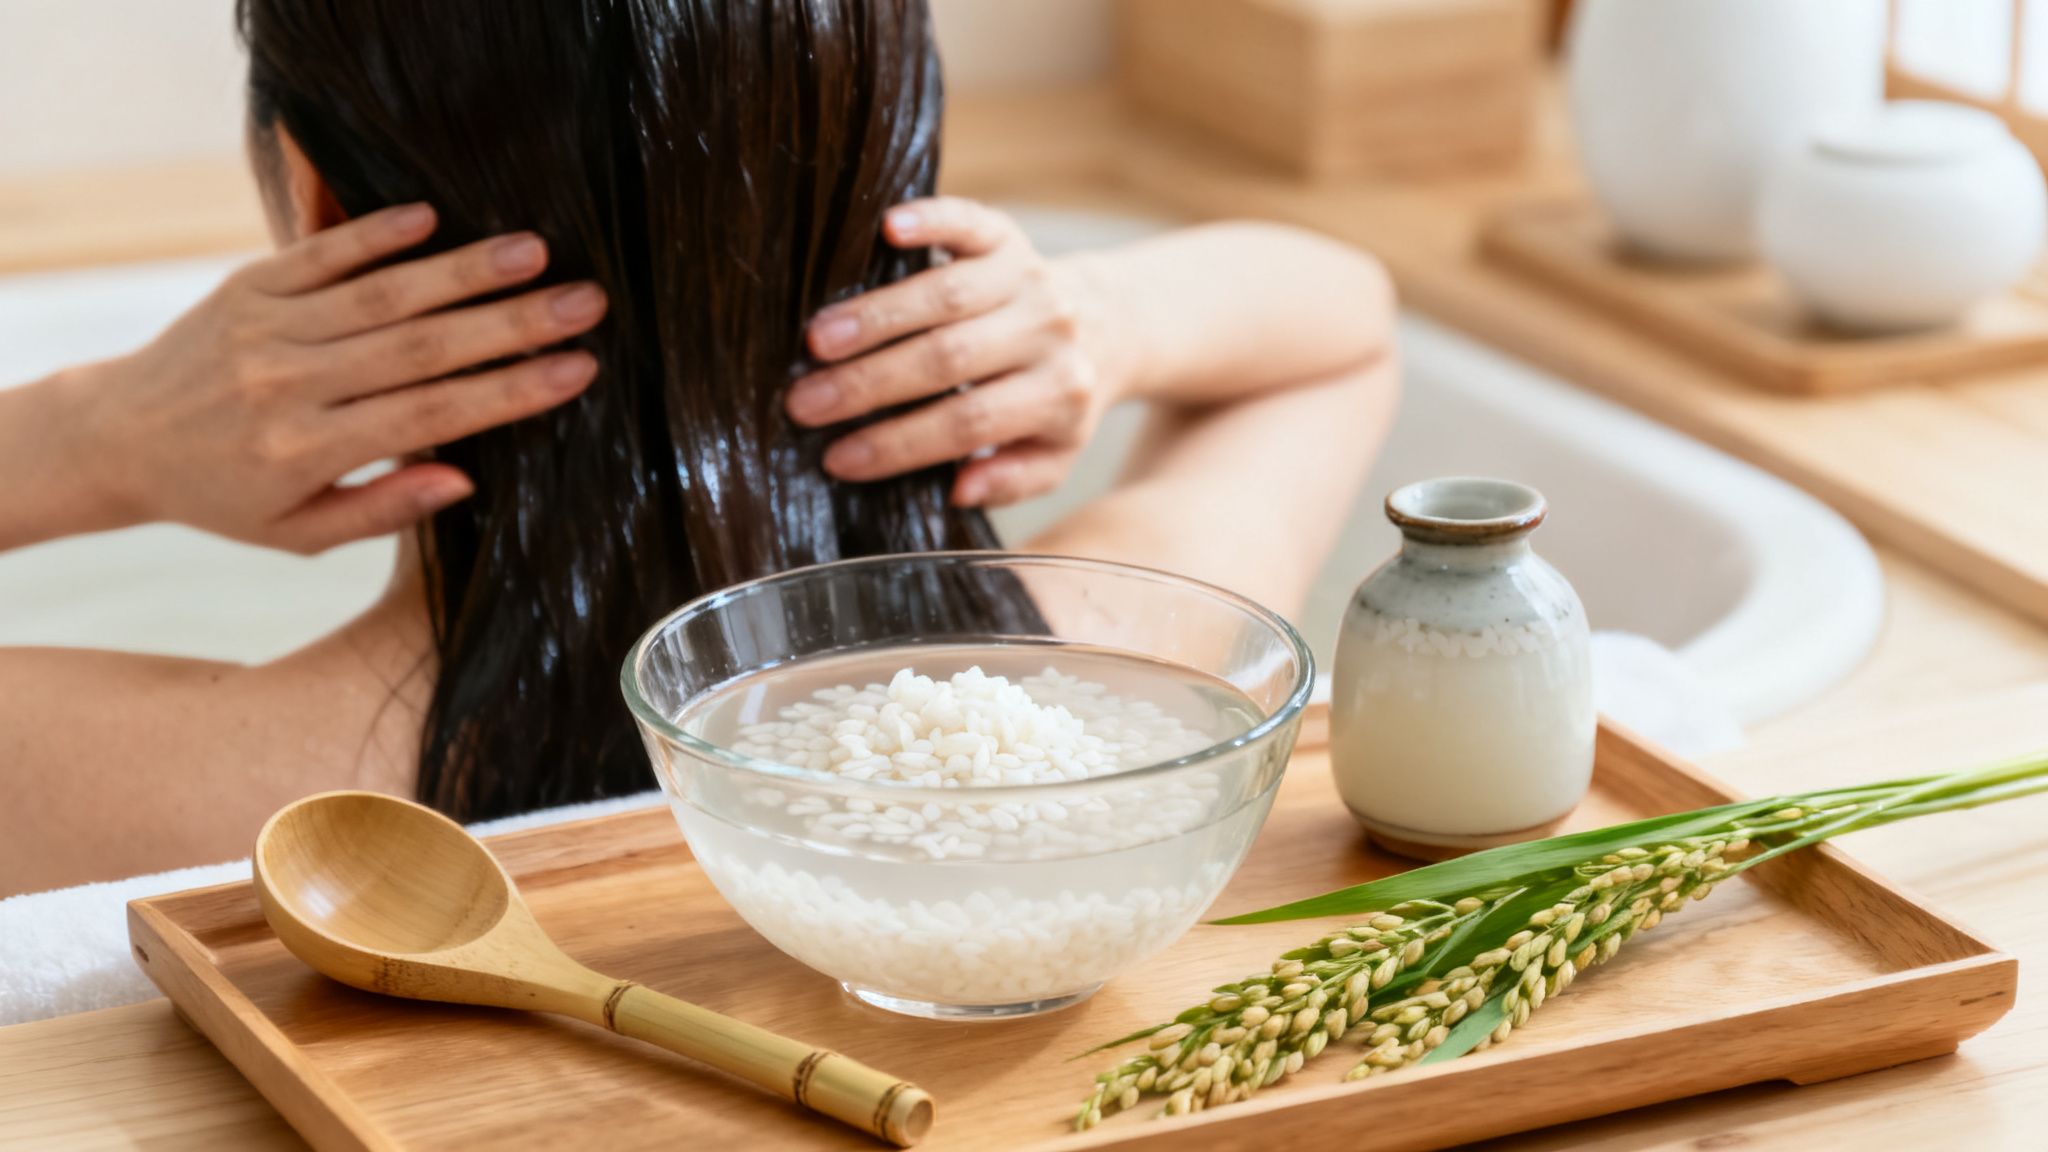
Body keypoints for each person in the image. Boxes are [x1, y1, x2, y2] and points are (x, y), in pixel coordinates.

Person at [0, 0, 1396, 896]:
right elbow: (1346, 329)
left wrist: (88, 435)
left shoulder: (156, 794)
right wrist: (1110, 319)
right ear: (895, 166)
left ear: (312, 204)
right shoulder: (1128, 685)